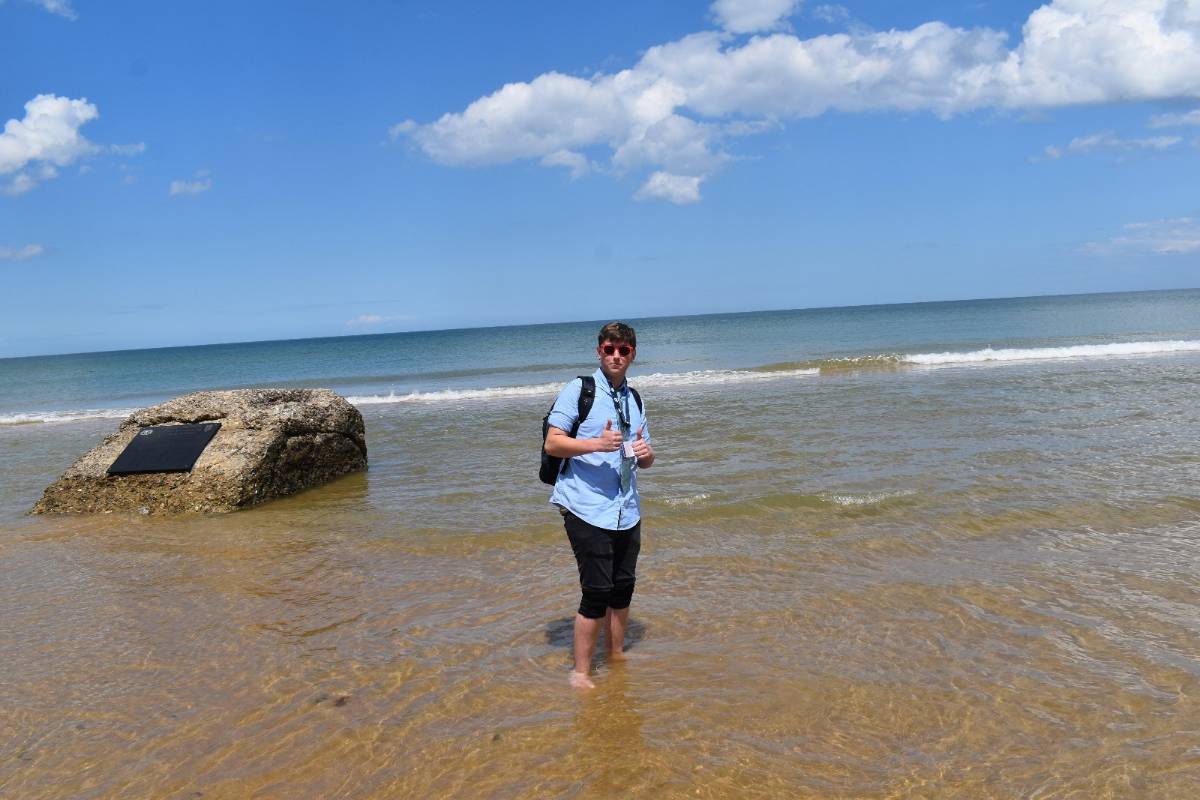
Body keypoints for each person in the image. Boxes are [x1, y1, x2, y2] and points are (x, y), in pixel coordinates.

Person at [544, 321, 655, 689]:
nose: (616, 356)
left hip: (627, 507)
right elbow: (553, 444)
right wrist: (596, 444)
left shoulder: (635, 398)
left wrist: (646, 454)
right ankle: (579, 672)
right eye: (610, 349)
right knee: (595, 591)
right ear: (599, 351)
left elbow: (645, 458)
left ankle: (616, 653)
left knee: (623, 586)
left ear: (633, 354)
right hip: (585, 506)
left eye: (624, 350)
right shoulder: (579, 390)